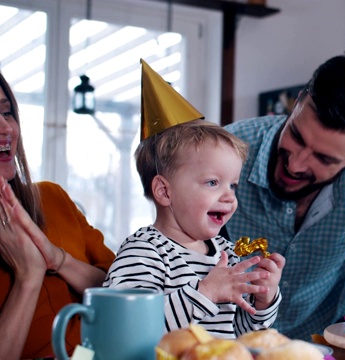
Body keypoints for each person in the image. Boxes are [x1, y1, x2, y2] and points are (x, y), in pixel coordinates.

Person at [224, 48, 345, 340]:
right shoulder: (228, 150)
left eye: (323, 158)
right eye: (296, 135)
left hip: (322, 342)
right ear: (297, 104)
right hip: (225, 343)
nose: (296, 164)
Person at [104, 60, 284, 338]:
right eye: (212, 182)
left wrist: (263, 300)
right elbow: (126, 328)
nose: (229, 197)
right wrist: (206, 293)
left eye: (233, 185)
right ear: (164, 191)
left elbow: (242, 334)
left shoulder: (226, 253)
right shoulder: (144, 252)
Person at [0, 72, 115, 359]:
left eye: (6, 112)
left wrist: (59, 260)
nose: (5, 127)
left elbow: (122, 290)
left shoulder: (52, 197)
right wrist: (29, 276)